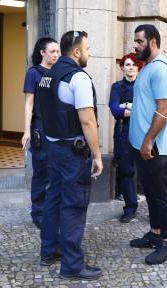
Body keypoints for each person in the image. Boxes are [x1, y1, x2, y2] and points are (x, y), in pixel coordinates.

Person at [36, 30, 104, 280]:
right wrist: (97, 155)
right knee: (74, 204)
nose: (89, 53)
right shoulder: (78, 78)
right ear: (76, 52)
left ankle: (49, 250)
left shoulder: (47, 74)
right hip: (72, 154)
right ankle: (72, 265)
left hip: (53, 148)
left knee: (53, 198)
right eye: (87, 48)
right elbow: (87, 121)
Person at [128, 24, 167, 265]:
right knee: (150, 192)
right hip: (143, 146)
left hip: (155, 147)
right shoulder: (147, 67)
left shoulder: (162, 70)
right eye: (135, 41)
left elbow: (164, 108)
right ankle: (155, 234)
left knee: (161, 195)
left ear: (153, 42)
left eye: (139, 41)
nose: (135, 45)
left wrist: (148, 140)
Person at [22, 37, 60, 229]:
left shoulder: (58, 72)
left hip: (56, 128)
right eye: (52, 52)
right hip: (40, 127)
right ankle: (38, 212)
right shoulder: (34, 73)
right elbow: (29, 103)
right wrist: (26, 130)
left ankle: (50, 211)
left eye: (58, 52)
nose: (56, 55)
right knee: (41, 173)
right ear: (42, 53)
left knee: (54, 171)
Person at [109, 53, 143, 223]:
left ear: (139, 67)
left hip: (143, 130)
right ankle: (130, 208)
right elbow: (115, 109)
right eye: (127, 64)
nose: (131, 67)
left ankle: (156, 210)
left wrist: (127, 106)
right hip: (124, 131)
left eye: (134, 64)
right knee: (126, 170)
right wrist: (133, 108)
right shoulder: (116, 87)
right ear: (122, 67)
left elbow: (148, 110)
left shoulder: (144, 86)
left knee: (148, 170)